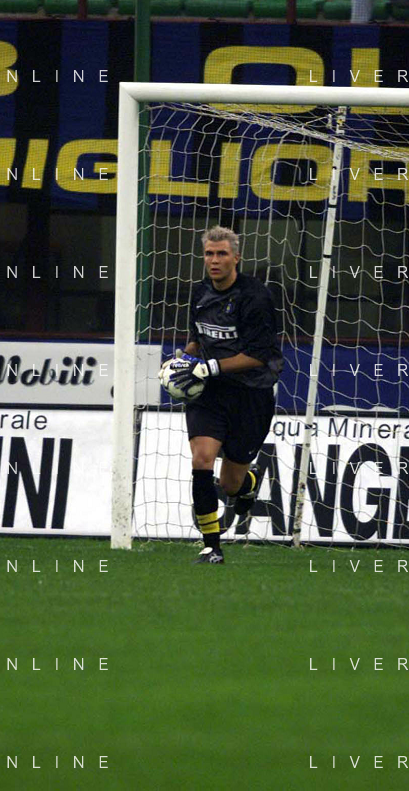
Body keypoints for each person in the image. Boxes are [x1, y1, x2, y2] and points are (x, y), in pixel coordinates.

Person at [167, 226, 283, 565]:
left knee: (230, 483)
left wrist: (211, 367)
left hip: (251, 394)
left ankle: (247, 483)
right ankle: (211, 546)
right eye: (209, 254)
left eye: (221, 254)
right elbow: (196, 338)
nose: (214, 260)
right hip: (210, 392)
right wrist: (182, 360)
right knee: (201, 459)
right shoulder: (200, 292)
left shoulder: (256, 297)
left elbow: (259, 355)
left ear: (236, 258)